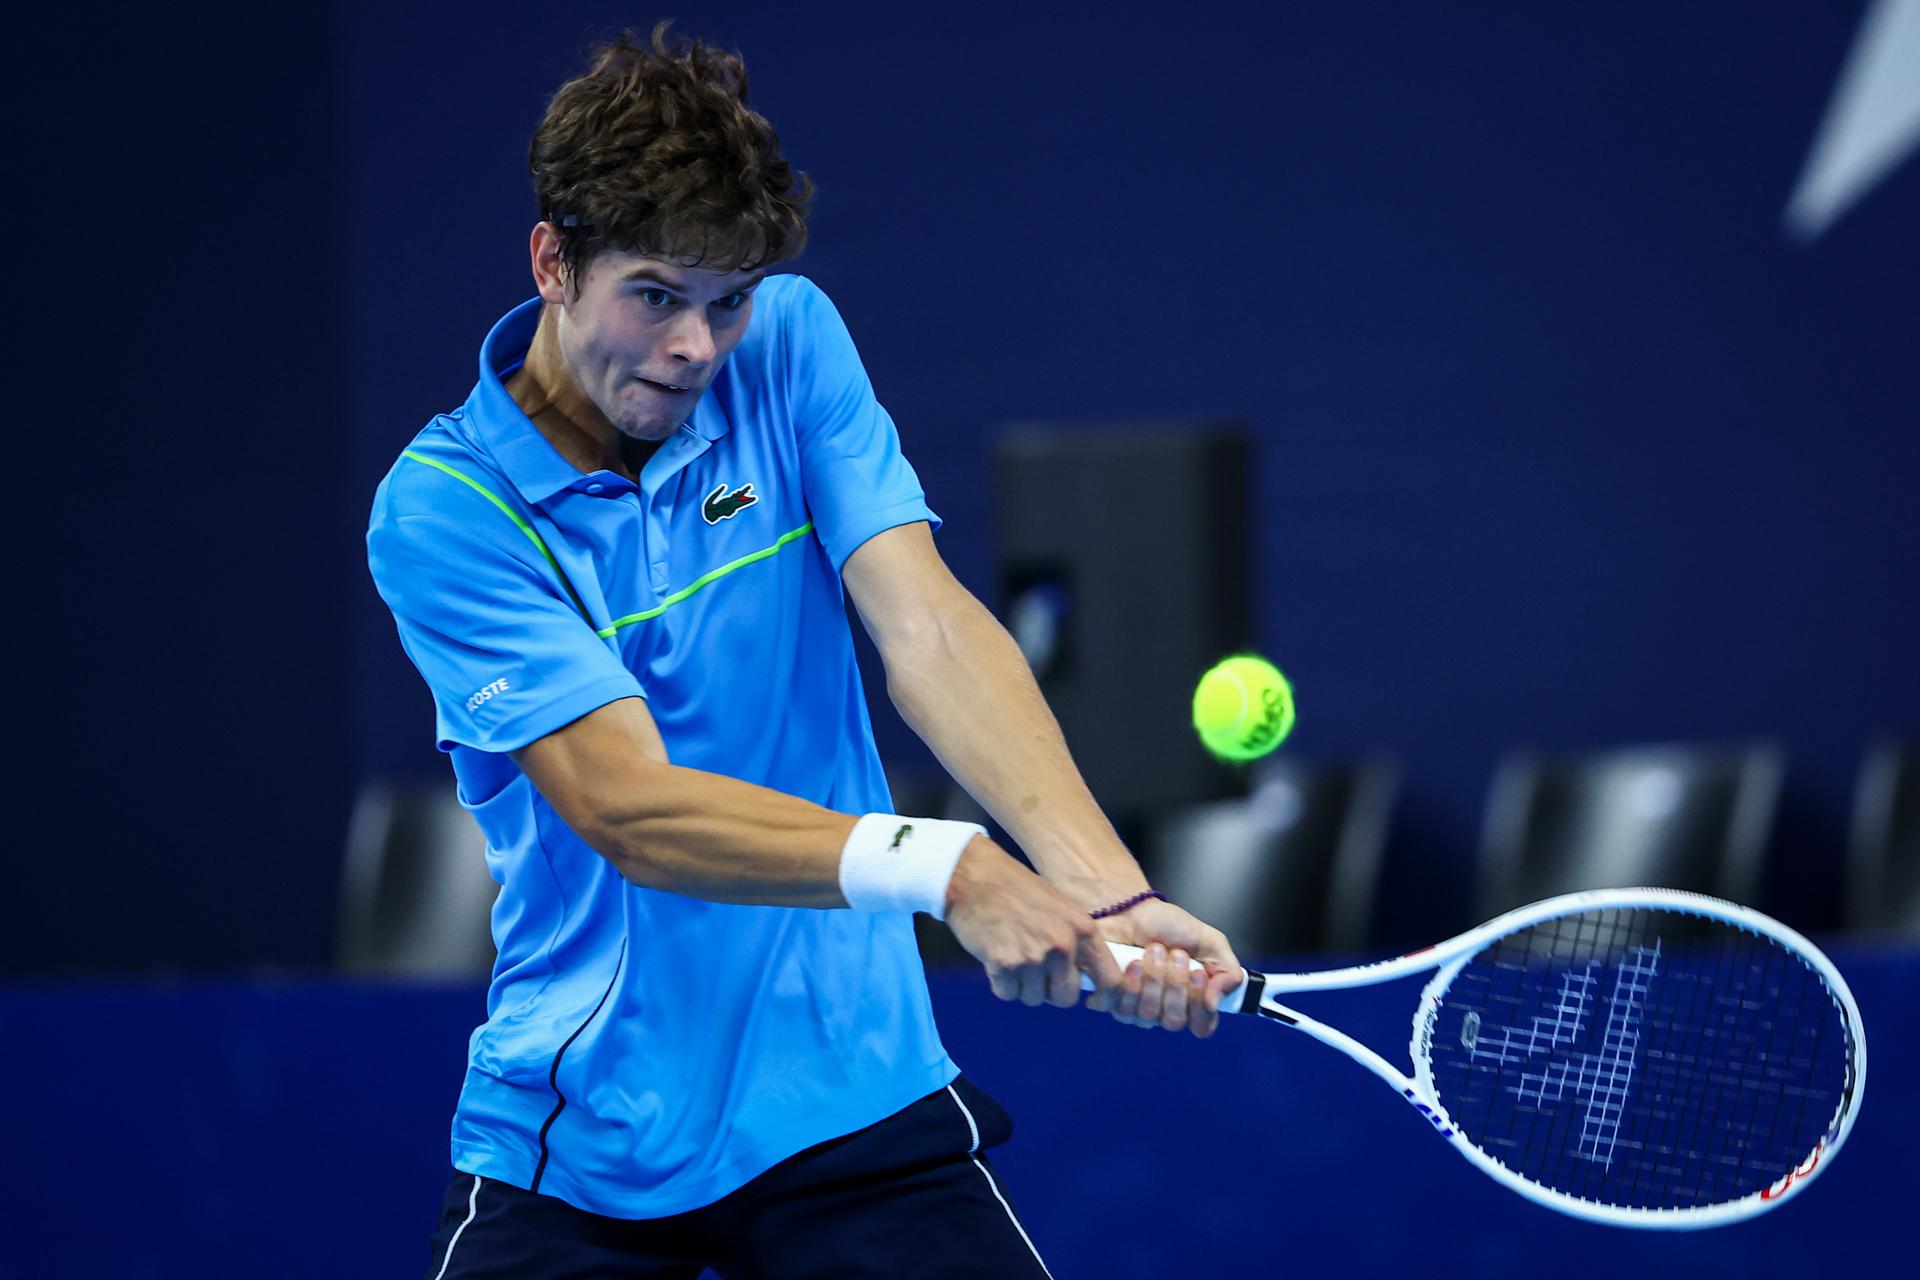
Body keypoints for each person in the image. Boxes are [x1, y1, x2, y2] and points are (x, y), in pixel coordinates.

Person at [367, 24, 1241, 1279]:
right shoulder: (447, 509)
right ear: (553, 261)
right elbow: (629, 807)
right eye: (656, 295)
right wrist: (947, 867)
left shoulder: (788, 341)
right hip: (592, 1134)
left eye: (726, 302)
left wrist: (1105, 890)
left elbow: (925, 623)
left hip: (847, 1080)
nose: (697, 348)